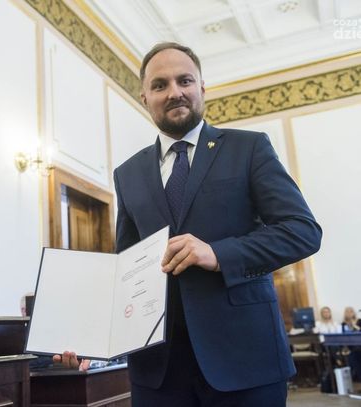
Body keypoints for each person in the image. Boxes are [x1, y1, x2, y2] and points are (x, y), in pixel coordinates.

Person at [90, 42, 322, 406]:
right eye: (160, 85)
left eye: (184, 81)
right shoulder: (127, 174)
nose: (174, 92)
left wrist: (217, 254)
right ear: (145, 98)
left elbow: (302, 231)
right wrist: (89, 338)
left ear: (202, 87)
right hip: (158, 371)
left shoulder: (249, 148)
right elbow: (127, 267)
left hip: (245, 359)